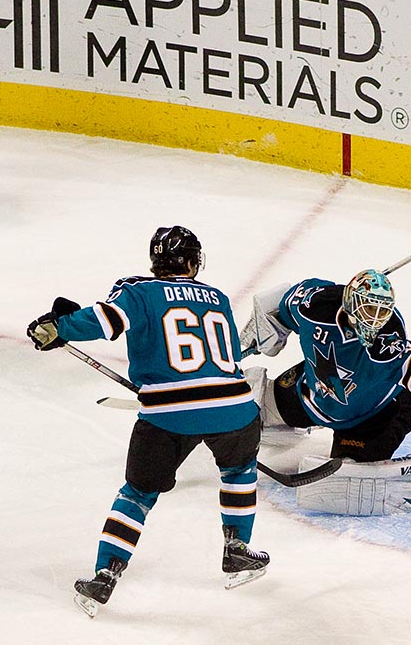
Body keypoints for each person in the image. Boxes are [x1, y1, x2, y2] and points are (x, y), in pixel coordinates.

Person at [27, 226, 270, 618]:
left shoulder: (139, 292)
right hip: (234, 406)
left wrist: (60, 326)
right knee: (239, 470)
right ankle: (238, 550)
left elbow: (105, 320)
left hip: (168, 412)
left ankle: (105, 575)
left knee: (138, 494)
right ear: (193, 262)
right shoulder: (220, 297)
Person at [241, 270, 411, 515]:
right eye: (369, 309)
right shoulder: (314, 305)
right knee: (243, 401)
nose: (374, 319)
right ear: (351, 303)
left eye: (381, 311)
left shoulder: (390, 345)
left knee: (344, 481)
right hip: (310, 393)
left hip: (372, 418)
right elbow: (278, 307)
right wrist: (257, 334)